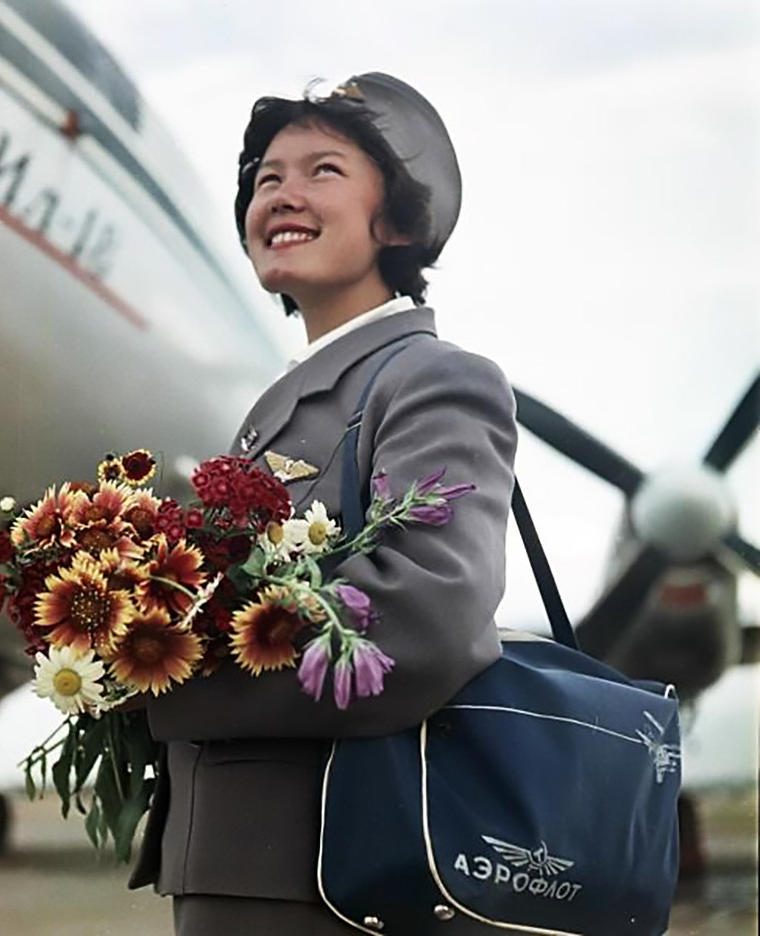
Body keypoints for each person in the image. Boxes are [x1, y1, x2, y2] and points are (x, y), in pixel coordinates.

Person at [128, 72, 518, 935]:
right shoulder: (286, 407)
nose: (282, 194)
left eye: (323, 171)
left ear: (398, 224)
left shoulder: (431, 378)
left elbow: (423, 620)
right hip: (253, 871)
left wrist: (159, 673)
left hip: (336, 883)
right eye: (266, 178)